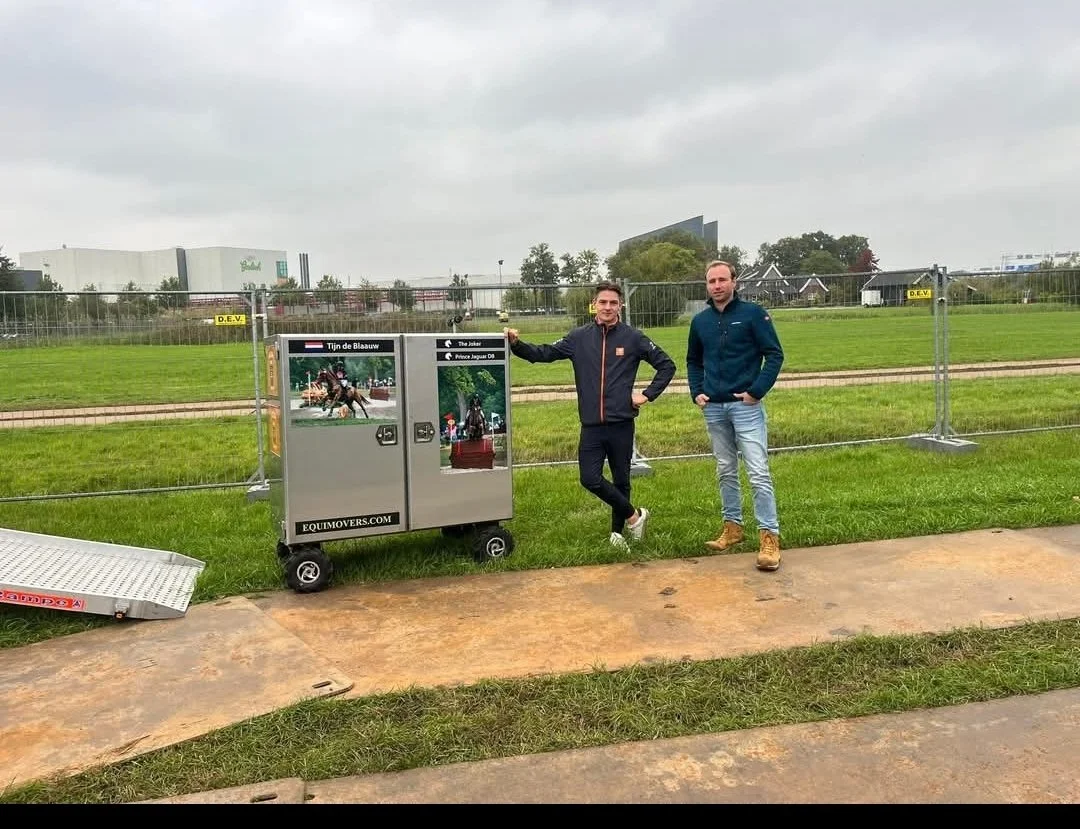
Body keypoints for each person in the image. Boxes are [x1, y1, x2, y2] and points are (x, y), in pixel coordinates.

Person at [505, 281, 676, 550]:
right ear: (594, 305)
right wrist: (516, 345)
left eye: (612, 302)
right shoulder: (578, 338)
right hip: (591, 426)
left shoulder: (633, 338)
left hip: (621, 424)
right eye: (602, 302)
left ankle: (617, 534)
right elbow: (544, 354)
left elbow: (667, 365)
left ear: (621, 305)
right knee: (590, 479)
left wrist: (646, 395)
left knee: (621, 480)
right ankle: (635, 516)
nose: (607, 307)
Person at [686, 260, 785, 571]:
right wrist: (696, 390)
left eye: (722, 280)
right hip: (713, 408)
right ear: (707, 285)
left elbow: (775, 354)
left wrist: (757, 390)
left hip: (746, 407)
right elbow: (692, 360)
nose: (717, 285)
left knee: (757, 472)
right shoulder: (700, 322)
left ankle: (769, 537)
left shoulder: (753, 314)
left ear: (734, 282)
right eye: (712, 281)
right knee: (726, 469)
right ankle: (733, 529)